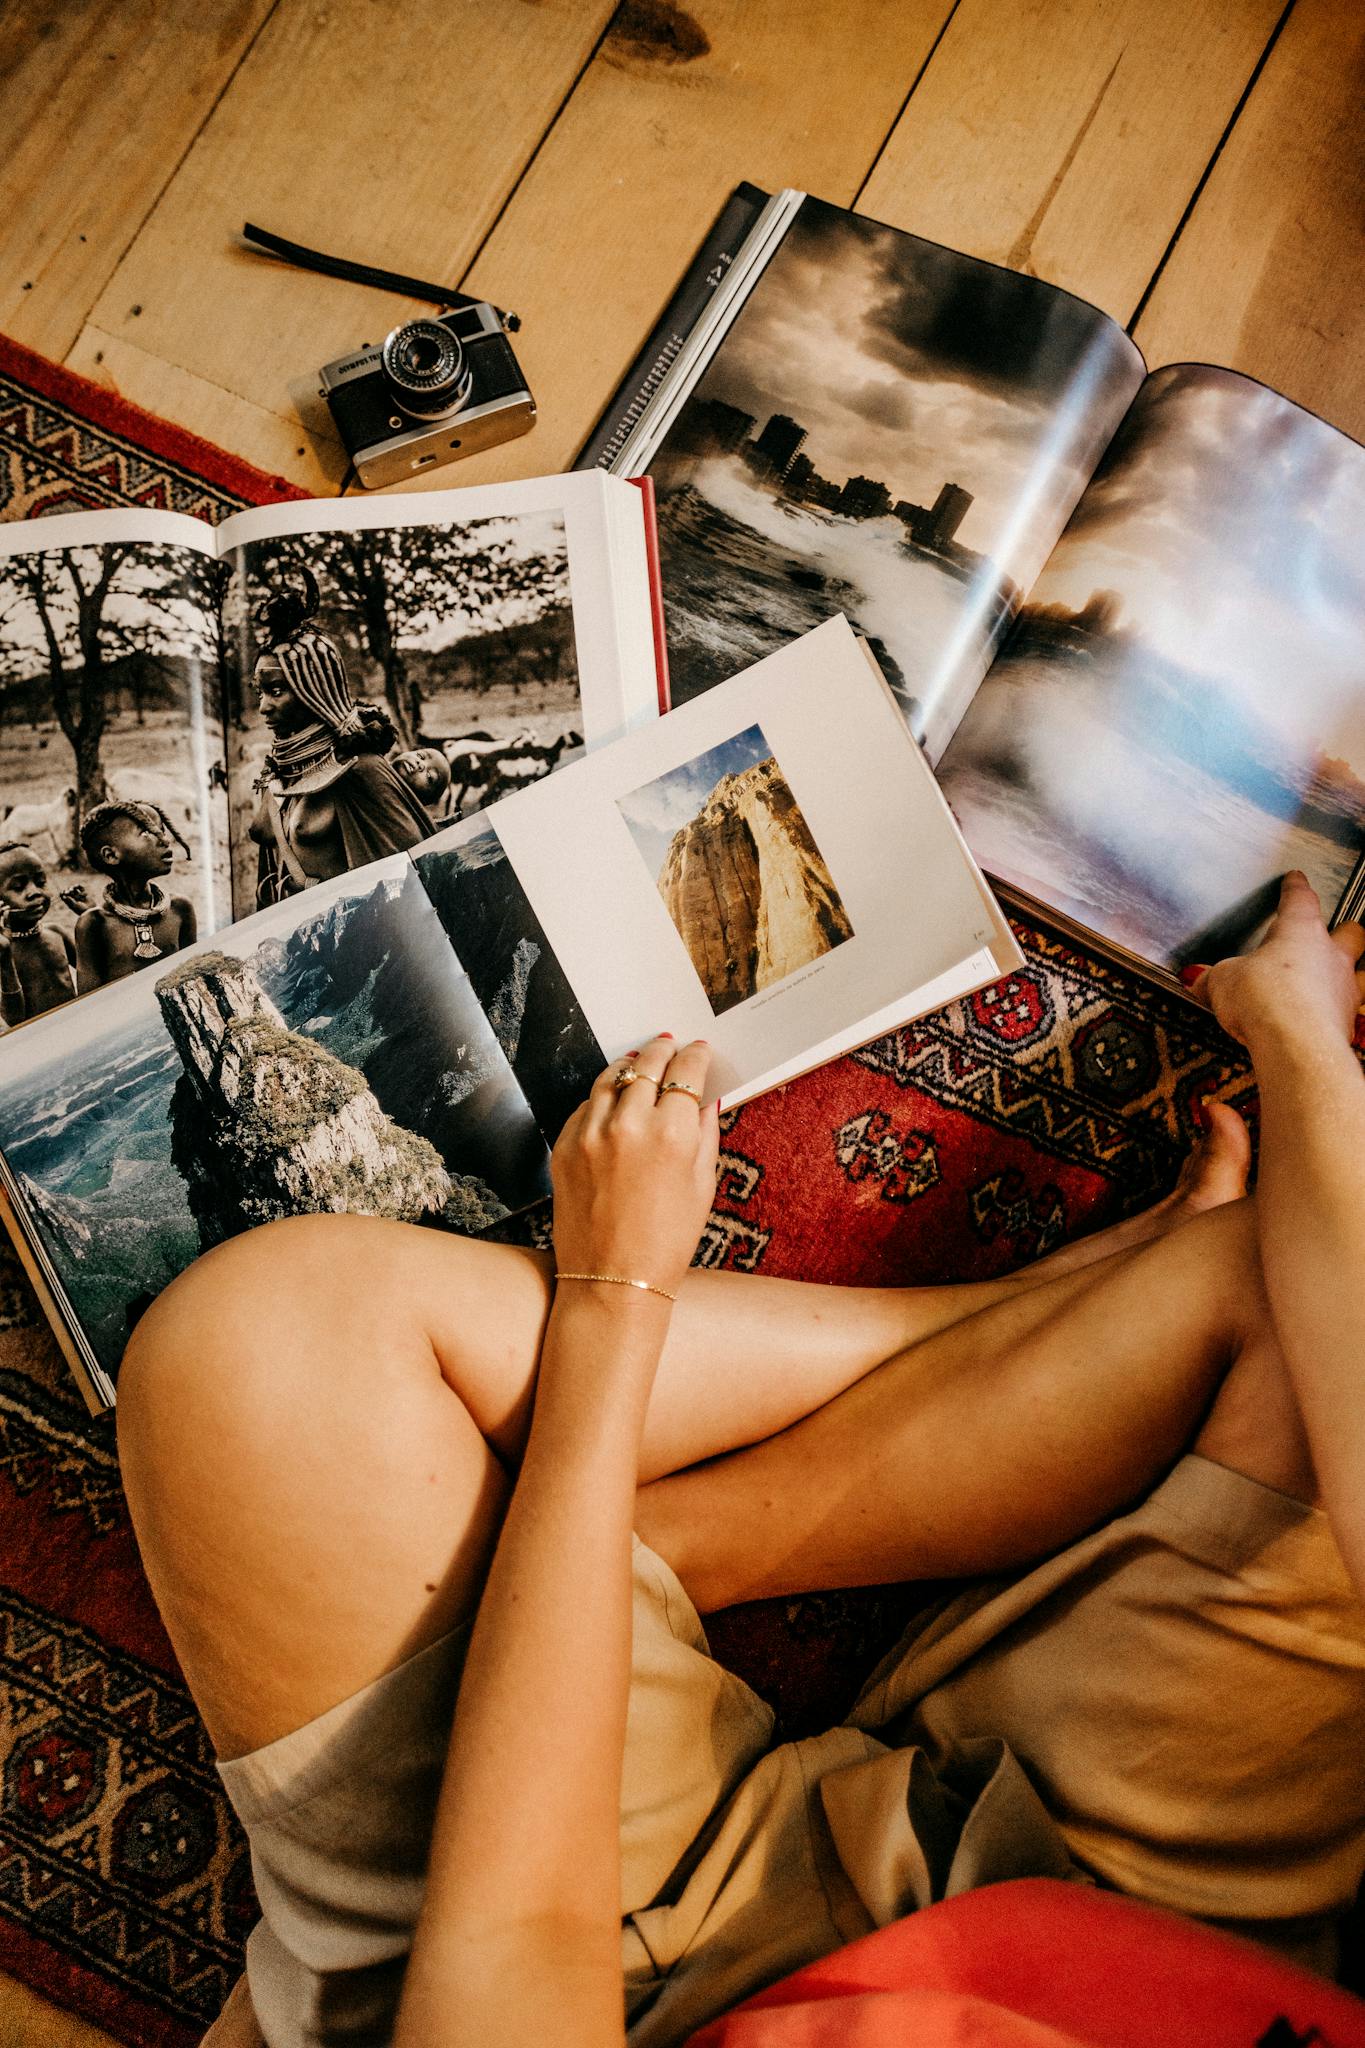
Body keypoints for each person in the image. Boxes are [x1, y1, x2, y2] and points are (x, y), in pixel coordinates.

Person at [115, 875, 1365, 2048]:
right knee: (1303, 1290)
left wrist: (621, 1289)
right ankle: (999, 1321)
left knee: (254, 1350)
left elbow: (516, 1931)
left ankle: (660, 1546)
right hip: (1127, 1924)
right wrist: (1305, 1060)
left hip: (578, 1963)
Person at [247, 585, 434, 907]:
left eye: (276, 691)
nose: (264, 706)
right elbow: (263, 831)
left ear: (313, 690)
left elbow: (410, 870)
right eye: (259, 692)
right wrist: (276, 776)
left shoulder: (359, 767)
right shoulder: (284, 769)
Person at [73, 801, 197, 991]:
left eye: (161, 831)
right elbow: (90, 1002)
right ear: (111, 856)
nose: (164, 840)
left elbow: (196, 979)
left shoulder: (180, 908)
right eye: (146, 833)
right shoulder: (94, 924)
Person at [0, 839, 79, 1022]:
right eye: (18, 887)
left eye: (40, 882)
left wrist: (89, 915)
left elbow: (95, 977)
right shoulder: (3, 951)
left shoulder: (56, 933)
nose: (34, 892)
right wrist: (5, 960)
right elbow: (15, 1020)